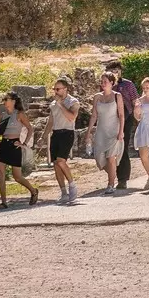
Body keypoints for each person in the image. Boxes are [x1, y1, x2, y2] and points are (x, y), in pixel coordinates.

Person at [0, 93, 40, 207]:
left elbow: (30, 128)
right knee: (0, 173)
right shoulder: (2, 115)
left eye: (6, 99)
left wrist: (24, 143)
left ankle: (33, 191)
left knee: (17, 176)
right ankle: (3, 202)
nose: (4, 101)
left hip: (15, 145)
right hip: (4, 144)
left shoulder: (20, 114)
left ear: (13, 101)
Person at [47, 77, 82, 205]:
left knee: (61, 161)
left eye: (58, 89)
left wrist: (61, 104)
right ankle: (63, 192)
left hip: (67, 133)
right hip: (56, 133)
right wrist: (43, 136)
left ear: (65, 89)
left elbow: (72, 117)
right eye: (54, 89)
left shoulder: (73, 102)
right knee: (56, 163)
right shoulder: (53, 104)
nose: (55, 91)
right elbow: (51, 121)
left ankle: (72, 185)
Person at [90, 68, 124, 194]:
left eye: (105, 81)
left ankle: (110, 184)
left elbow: (121, 115)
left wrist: (121, 131)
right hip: (101, 131)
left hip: (114, 130)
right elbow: (94, 115)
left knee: (111, 158)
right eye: (102, 81)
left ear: (111, 82)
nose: (103, 83)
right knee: (99, 158)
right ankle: (113, 173)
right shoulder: (97, 97)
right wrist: (89, 132)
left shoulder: (117, 96)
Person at [112, 63, 141, 188]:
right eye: (112, 70)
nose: (114, 73)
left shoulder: (128, 84)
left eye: (116, 70)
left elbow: (136, 101)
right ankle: (111, 178)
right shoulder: (104, 85)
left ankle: (122, 178)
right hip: (110, 120)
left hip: (126, 118)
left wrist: (137, 115)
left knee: (122, 147)